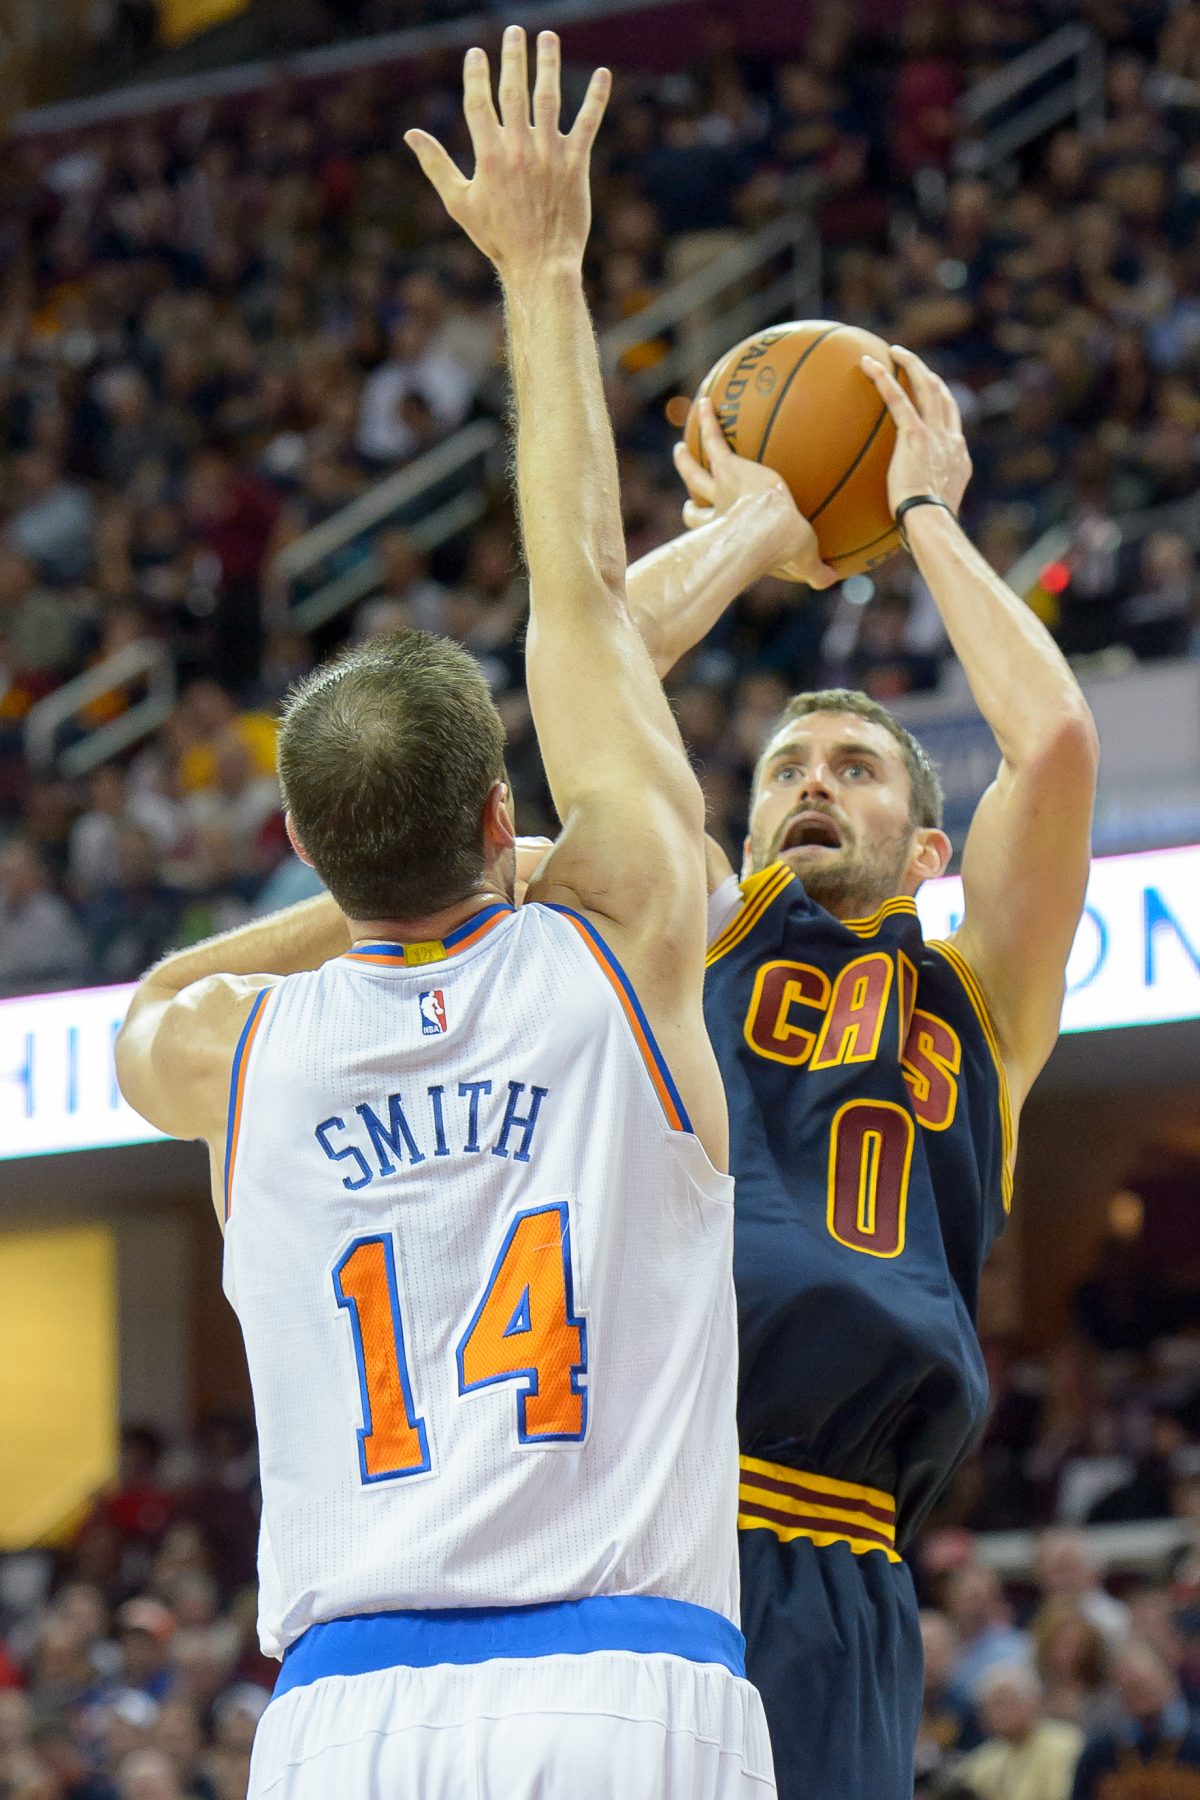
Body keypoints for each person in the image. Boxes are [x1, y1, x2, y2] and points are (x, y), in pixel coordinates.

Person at [115, 29, 773, 1800]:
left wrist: (360, 900)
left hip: (343, 1711)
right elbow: (581, 608)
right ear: (504, 818)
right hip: (624, 1677)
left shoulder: (221, 1048)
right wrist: (543, 271)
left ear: (302, 855)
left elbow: (152, 998)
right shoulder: (618, 938)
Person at [617, 355, 1098, 1796]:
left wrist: (922, 513)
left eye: (856, 766)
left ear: (929, 848)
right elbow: (592, 653)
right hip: (649, 1508)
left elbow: (1054, 742)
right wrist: (755, 532)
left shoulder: (981, 1000)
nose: (814, 781)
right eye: (785, 768)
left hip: (840, 1541)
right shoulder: (693, 922)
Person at [959, 1664, 1082, 1800]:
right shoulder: (986, 1757)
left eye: (1005, 1702)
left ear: (1033, 1701)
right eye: (991, 1705)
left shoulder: (1063, 1744)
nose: (999, 1712)